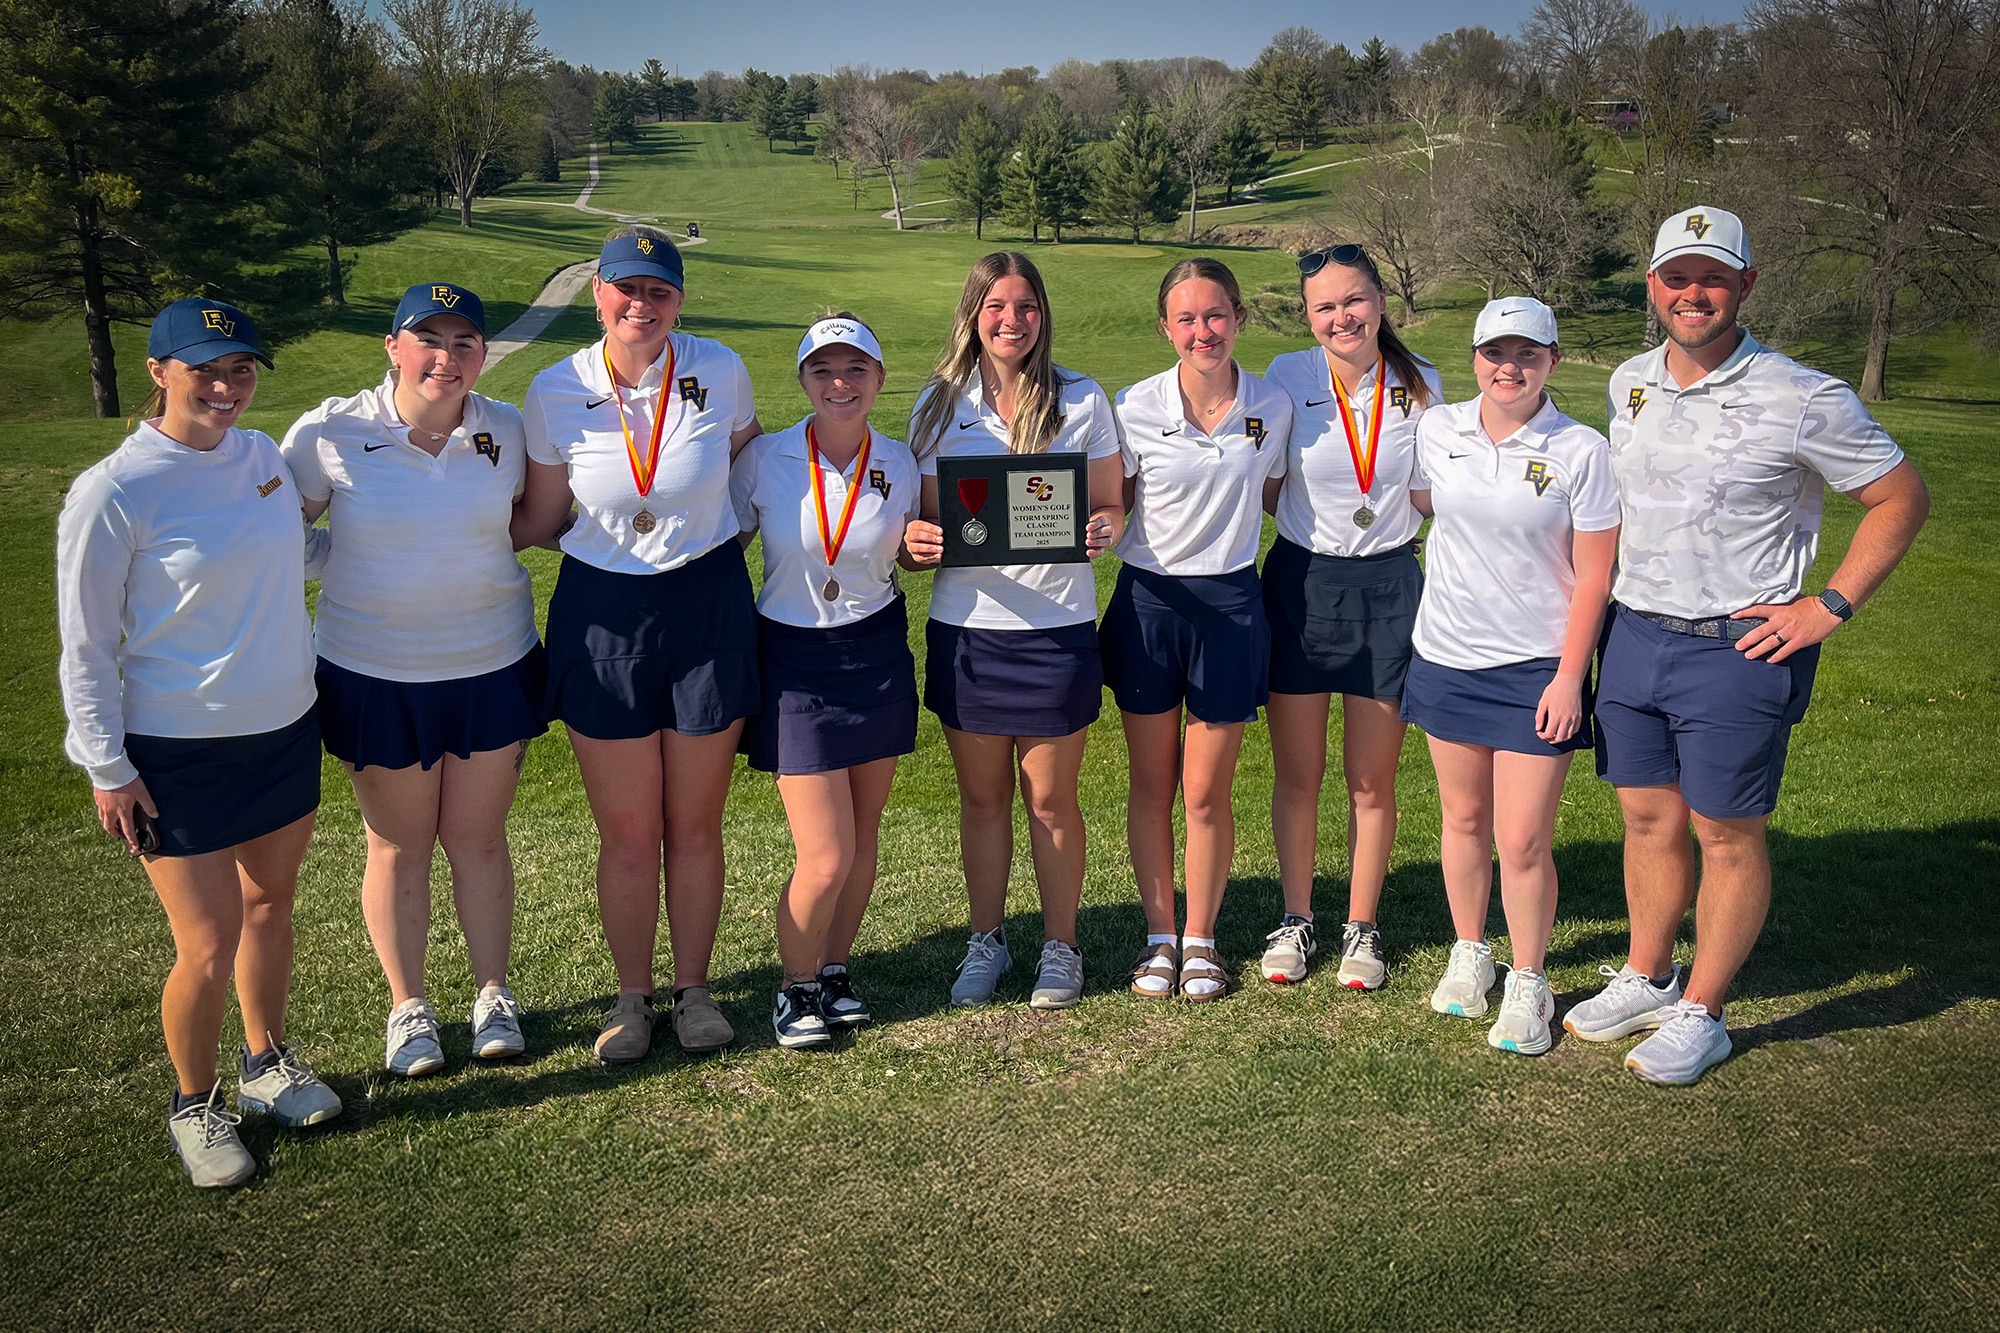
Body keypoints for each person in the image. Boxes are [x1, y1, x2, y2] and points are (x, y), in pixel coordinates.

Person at [1565, 205, 1930, 1083]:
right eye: (1677, 278)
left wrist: (1829, 605)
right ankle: (1649, 974)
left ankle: (1705, 1009)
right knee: (1647, 818)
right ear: (1653, 287)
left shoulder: (1804, 395)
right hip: (1637, 632)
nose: (1694, 294)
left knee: (1726, 830)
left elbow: (1901, 496)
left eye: (1714, 278)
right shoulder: (1629, 381)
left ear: (1746, 286)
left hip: (1740, 646)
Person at [56, 298, 341, 1187]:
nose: (226, 387)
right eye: (206, 370)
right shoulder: (115, 489)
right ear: (159, 373)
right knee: (208, 940)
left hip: (286, 727)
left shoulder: (261, 457)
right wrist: (109, 767)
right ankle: (195, 1102)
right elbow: (87, 642)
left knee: (270, 909)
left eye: (242, 369)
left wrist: (420, 528)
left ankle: (266, 1063)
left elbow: (302, 554)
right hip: (174, 750)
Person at [514, 226, 764, 1061]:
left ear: (679, 301)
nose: (641, 305)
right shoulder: (554, 389)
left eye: (659, 292)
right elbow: (545, 519)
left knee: (694, 824)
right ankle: (632, 997)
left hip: (707, 603)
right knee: (626, 831)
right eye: (626, 288)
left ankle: (694, 991)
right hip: (602, 614)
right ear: (598, 295)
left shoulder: (719, 367)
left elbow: (744, 459)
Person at [281, 282, 544, 1077]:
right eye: (428, 339)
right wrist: (348, 563)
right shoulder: (332, 430)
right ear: (393, 347)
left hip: (493, 663)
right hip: (375, 672)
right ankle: (410, 1008)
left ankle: (493, 995)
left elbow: (531, 519)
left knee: (478, 839)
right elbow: (281, 532)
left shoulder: (506, 428)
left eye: (465, 342)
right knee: (398, 846)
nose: (448, 356)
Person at [901, 252, 1124, 1009]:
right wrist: (916, 544)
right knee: (984, 800)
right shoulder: (938, 405)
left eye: (1026, 306)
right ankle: (985, 942)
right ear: (973, 312)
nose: (1011, 320)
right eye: (996, 305)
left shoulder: (1082, 398)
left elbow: (1112, 504)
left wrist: (1102, 526)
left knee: (1053, 801)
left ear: (1042, 314)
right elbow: (924, 524)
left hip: (1057, 628)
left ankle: (1061, 948)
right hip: (969, 630)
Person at [1401, 297, 1619, 1055]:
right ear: (1475, 359)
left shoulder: (1582, 450)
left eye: (1528, 353)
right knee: (1462, 821)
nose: (1510, 367)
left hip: (1534, 669)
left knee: (1522, 838)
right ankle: (1472, 950)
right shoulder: (1440, 429)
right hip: (1447, 656)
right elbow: (1424, 503)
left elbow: (1595, 577)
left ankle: (1530, 977)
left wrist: (1569, 679)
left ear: (1553, 361)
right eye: (1496, 352)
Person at [1105, 259, 1294, 1002]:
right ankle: (1159, 935)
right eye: (1185, 319)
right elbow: (1115, 502)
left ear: (1238, 317)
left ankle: (1202, 938)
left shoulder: (1272, 406)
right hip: (1149, 604)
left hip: (1230, 606)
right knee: (1152, 784)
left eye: (1214, 315)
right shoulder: (1133, 405)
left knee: (1205, 790)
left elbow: (1281, 492)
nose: (1202, 331)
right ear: (1165, 328)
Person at [731, 315, 921, 1047]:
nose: (839, 384)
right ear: (804, 380)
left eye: (855, 370)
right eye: (823, 371)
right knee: (826, 852)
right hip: (792, 657)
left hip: (874, 652)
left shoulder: (900, 461)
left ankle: (834, 969)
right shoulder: (765, 459)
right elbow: (725, 550)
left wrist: (920, 548)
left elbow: (911, 552)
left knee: (863, 837)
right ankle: (794, 986)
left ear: (878, 377)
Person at [1259, 243, 1443, 990]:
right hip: (1303, 583)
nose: (1342, 317)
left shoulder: (1420, 378)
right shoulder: (1285, 377)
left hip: (1391, 587)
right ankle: (1297, 920)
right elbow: (1268, 485)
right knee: (1297, 774)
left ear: (1380, 301)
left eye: (1354, 300)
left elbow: (1431, 493)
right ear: (1309, 317)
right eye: (1325, 306)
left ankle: (1362, 928)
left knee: (1372, 777)